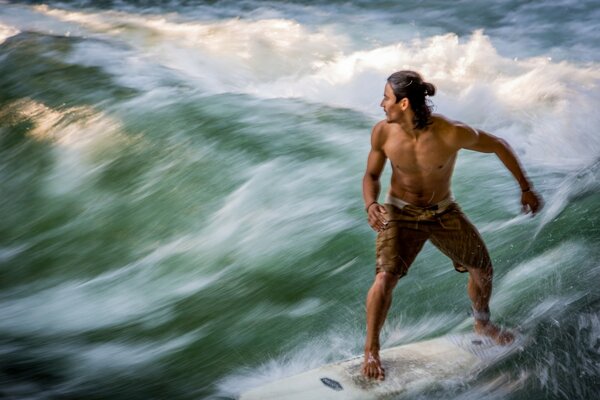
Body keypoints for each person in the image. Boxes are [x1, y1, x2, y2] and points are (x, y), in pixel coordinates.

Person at [361, 70, 543, 381]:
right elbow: (372, 176)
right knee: (385, 278)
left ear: (404, 104)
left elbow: (498, 144)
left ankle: (482, 322)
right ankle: (371, 350)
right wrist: (371, 204)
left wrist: (525, 188)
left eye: (386, 98)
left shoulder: (451, 132)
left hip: (443, 212)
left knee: (482, 268)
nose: (381, 104)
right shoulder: (383, 133)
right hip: (399, 213)